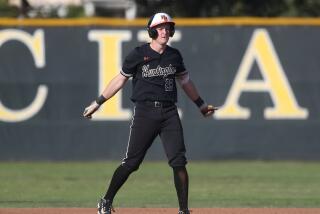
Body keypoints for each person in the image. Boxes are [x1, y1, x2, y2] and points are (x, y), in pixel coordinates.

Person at [83, 12, 218, 214]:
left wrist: (201, 105)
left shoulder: (174, 55)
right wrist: (98, 102)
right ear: (152, 31)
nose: (164, 31)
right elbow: (120, 80)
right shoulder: (138, 54)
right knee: (131, 163)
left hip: (169, 113)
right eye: (160, 28)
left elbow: (185, 82)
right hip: (145, 112)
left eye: (167, 27)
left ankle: (184, 210)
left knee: (179, 162)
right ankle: (106, 200)